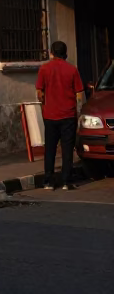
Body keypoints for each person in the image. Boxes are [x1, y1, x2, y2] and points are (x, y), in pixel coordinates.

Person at [36, 41, 85, 190]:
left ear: (51, 53)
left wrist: (45, 104)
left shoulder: (44, 69)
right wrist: (78, 110)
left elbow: (39, 93)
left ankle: (48, 181)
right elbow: (79, 94)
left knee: (50, 149)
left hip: (50, 115)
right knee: (67, 149)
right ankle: (66, 181)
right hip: (68, 115)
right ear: (66, 54)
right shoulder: (72, 70)